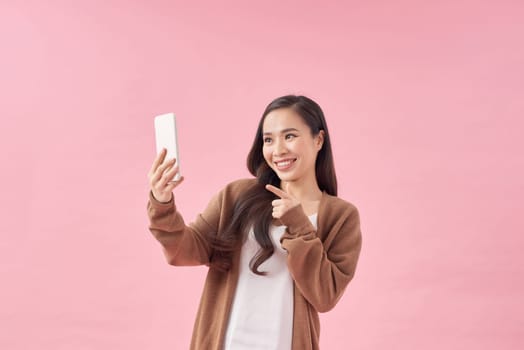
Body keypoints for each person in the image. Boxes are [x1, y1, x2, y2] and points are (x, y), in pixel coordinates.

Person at [147, 95, 362, 350]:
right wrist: (162, 203)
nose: (278, 149)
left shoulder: (341, 216)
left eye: (290, 136)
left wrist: (299, 225)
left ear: (318, 140)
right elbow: (183, 251)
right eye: (268, 139)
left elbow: (325, 296)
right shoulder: (237, 196)